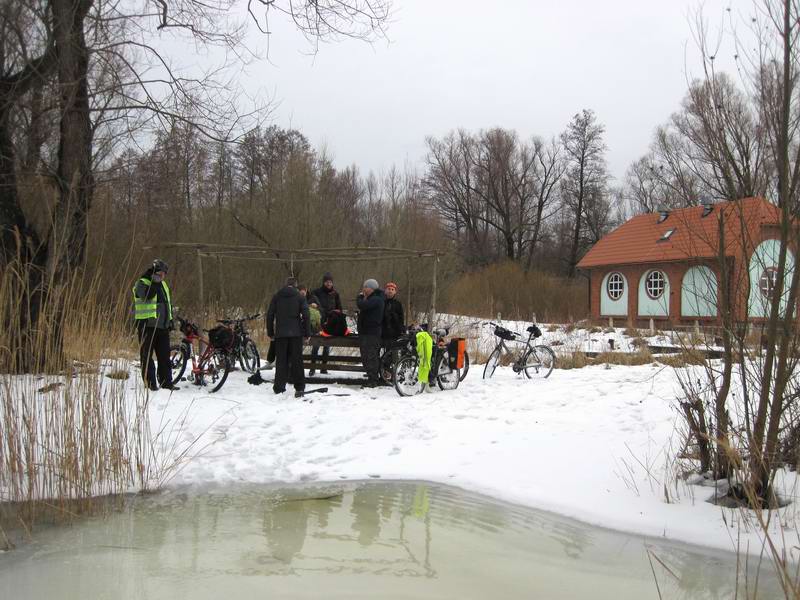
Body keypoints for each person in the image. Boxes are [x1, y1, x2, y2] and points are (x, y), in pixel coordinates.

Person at [132, 259, 178, 391]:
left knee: (164, 356)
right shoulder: (142, 283)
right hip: (147, 325)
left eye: (164, 274)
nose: (163, 276)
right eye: (161, 273)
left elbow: (167, 304)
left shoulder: (163, 285)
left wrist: (170, 320)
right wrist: (153, 281)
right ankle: (150, 383)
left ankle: (166, 383)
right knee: (147, 356)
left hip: (162, 326)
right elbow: (147, 295)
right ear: (154, 272)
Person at [267, 277, 310, 398]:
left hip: (280, 334)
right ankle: (299, 387)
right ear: (296, 286)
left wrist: (270, 332)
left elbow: (270, 315)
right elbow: (306, 315)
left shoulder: (277, 296)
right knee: (297, 361)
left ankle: (279, 387)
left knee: (281, 361)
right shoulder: (300, 297)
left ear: (286, 285)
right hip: (296, 334)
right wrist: (307, 334)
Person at [310, 273, 342, 375]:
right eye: (327, 282)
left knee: (327, 346)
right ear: (324, 282)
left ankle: (323, 368)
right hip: (318, 322)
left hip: (330, 322)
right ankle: (312, 368)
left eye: (330, 282)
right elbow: (310, 303)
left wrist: (336, 314)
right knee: (316, 345)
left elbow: (339, 308)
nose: (329, 284)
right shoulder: (316, 292)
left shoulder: (335, 294)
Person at [356, 278, 385, 387]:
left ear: (371, 288)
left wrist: (359, 298)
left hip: (372, 333)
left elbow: (362, 305)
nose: (364, 289)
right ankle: (371, 376)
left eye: (365, 287)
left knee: (371, 356)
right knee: (366, 356)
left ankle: (373, 380)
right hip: (366, 332)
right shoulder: (371, 298)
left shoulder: (376, 299)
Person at [380, 282, 405, 377]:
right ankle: (382, 373)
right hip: (383, 333)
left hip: (394, 333)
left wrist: (399, 327)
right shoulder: (382, 302)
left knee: (393, 355)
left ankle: (393, 374)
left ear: (395, 292)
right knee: (382, 354)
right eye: (388, 289)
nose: (390, 291)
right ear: (385, 291)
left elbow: (401, 318)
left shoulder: (398, 304)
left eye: (392, 290)